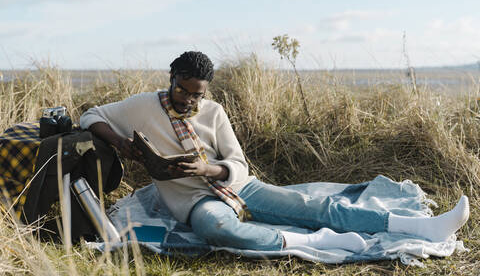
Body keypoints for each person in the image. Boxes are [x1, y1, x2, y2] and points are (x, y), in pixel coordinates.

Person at [80, 51, 470, 252]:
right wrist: (122, 145)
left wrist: (205, 169)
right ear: (172, 80)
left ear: (206, 92)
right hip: (197, 204)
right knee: (217, 230)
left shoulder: (214, 112)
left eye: (196, 93)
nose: (186, 99)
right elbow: (90, 114)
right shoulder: (143, 106)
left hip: (237, 187)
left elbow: (237, 163)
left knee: (315, 207)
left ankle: (421, 227)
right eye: (181, 89)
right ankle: (319, 243)